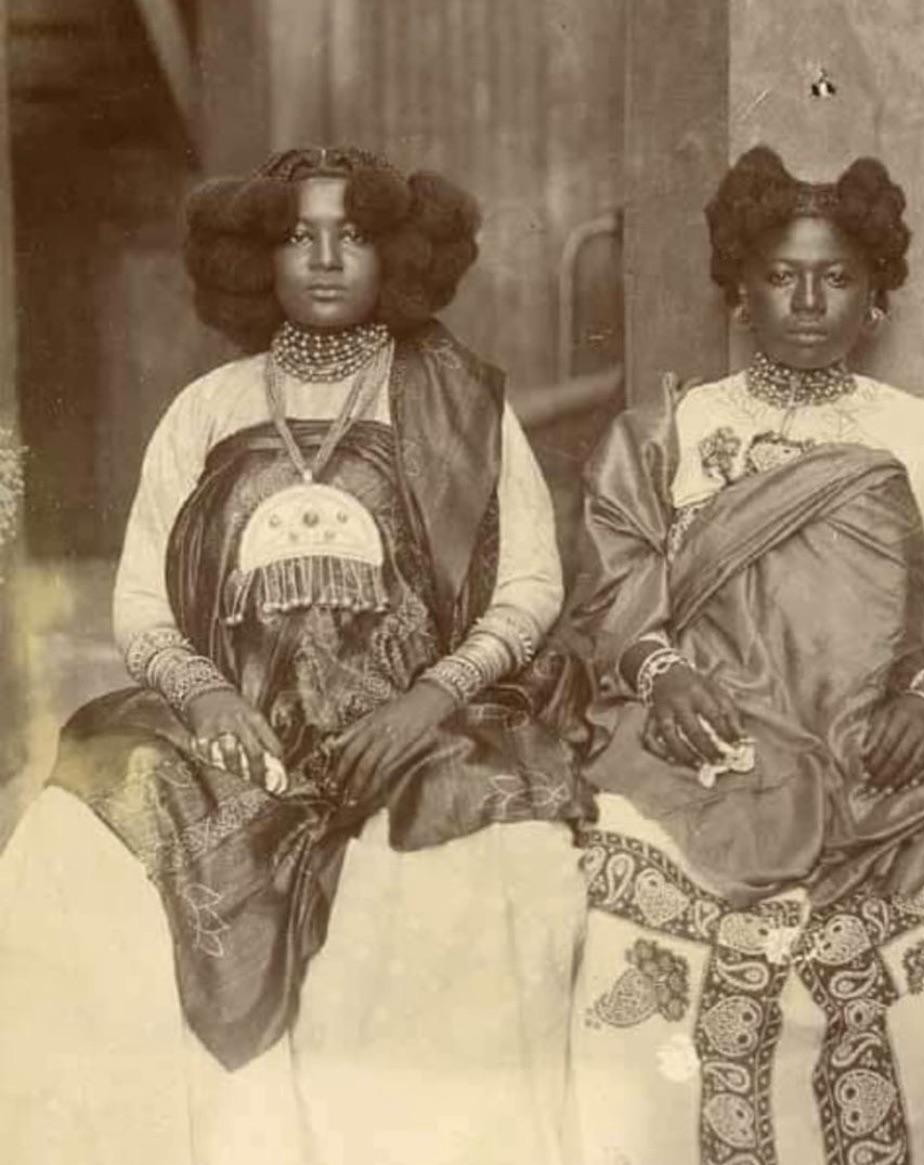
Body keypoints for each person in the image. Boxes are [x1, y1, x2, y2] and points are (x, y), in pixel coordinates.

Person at [566, 146, 924, 1165]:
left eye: (835, 277)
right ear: (738, 292)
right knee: (612, 847)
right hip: (717, 741)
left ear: (874, 300)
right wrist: (663, 677)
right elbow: (612, 599)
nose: (806, 298)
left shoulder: (918, 433)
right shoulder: (678, 428)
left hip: (867, 740)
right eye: (780, 275)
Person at [0, 146, 589, 1165]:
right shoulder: (206, 409)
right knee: (73, 824)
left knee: (484, 858)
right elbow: (142, 602)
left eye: (351, 235)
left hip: (414, 725)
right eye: (297, 235)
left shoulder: (461, 404)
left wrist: (428, 701)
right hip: (243, 727)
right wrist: (207, 697)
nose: (323, 258)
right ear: (254, 257)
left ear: (395, 255)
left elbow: (530, 586)